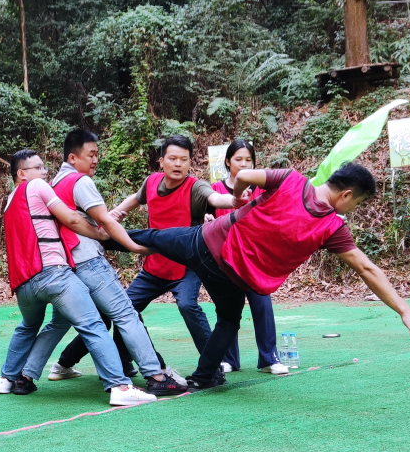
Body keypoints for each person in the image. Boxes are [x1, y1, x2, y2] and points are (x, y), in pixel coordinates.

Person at [126, 163, 410, 389]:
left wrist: (237, 198)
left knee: (151, 237)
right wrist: (404, 310)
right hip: (232, 275)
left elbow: (243, 176)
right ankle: (203, 377)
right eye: (357, 203)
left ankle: (101, 233)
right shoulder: (332, 228)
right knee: (228, 320)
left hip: (206, 242)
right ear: (347, 195)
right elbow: (367, 268)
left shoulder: (291, 179)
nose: (353, 209)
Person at [14, 130, 185, 397]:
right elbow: (103, 220)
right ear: (73, 157)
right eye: (91, 154)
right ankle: (156, 376)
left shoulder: (54, 183)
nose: (95, 159)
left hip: (65, 267)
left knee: (59, 323)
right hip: (88, 262)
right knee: (125, 315)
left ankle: (25, 376)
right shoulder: (79, 181)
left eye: (97, 154)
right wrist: (134, 246)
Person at [52, 134, 220, 381]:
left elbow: (214, 197)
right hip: (154, 267)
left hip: (185, 267)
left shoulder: (195, 187)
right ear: (161, 161)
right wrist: (117, 212)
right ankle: (116, 363)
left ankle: (212, 369)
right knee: (123, 308)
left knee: (187, 305)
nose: (178, 164)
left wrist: (232, 200)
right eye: (172, 158)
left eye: (183, 159)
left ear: (190, 162)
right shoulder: (152, 182)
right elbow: (136, 198)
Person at [208, 139, 285, 376]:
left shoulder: (261, 189)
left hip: (254, 257)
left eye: (248, 160)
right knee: (228, 310)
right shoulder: (215, 189)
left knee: (262, 306)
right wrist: (207, 220)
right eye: (238, 159)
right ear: (227, 161)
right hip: (225, 259)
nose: (243, 164)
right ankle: (229, 359)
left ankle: (269, 358)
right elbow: (206, 217)